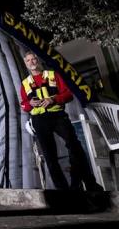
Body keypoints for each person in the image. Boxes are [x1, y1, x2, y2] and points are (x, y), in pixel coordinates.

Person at [19, 51, 103, 191]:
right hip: (39, 120)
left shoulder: (53, 75)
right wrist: (30, 104)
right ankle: (63, 191)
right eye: (28, 60)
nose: (32, 62)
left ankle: (87, 183)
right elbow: (23, 105)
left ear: (38, 61)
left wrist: (53, 99)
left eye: (34, 59)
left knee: (75, 147)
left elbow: (69, 95)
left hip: (58, 116)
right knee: (50, 156)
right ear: (25, 64)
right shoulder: (25, 83)